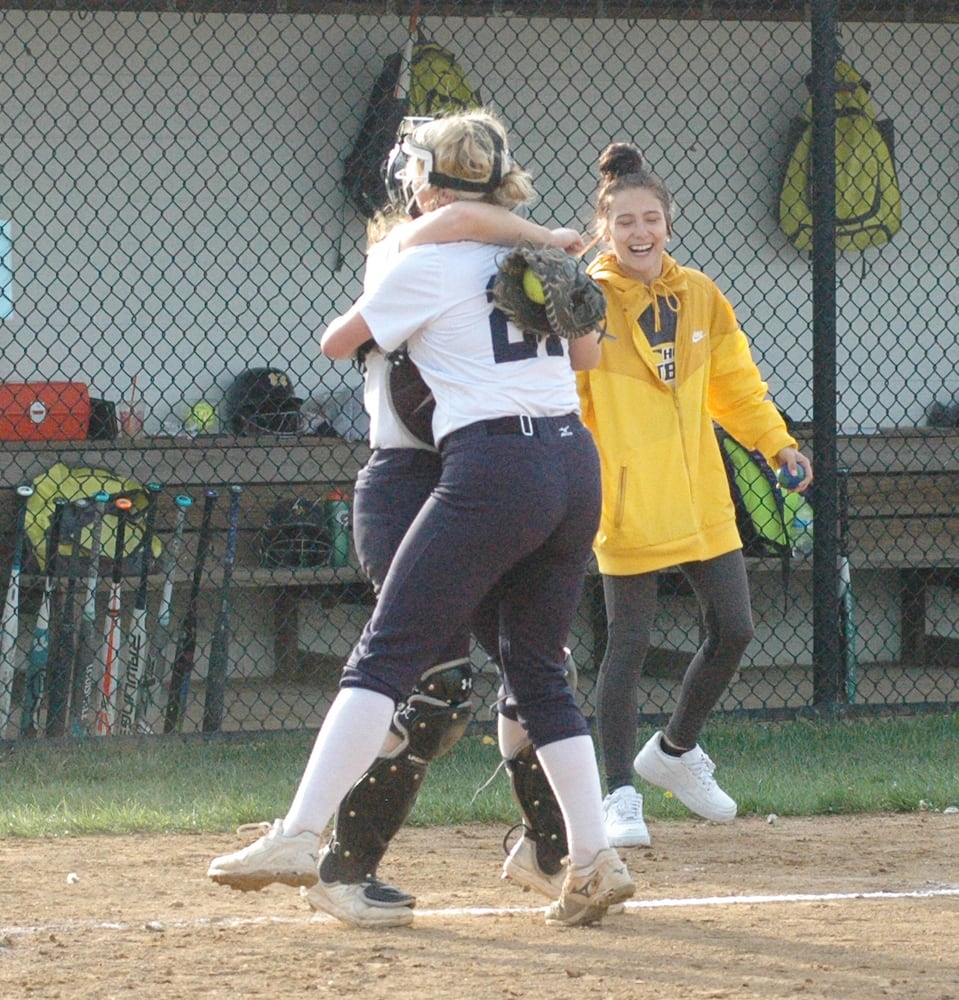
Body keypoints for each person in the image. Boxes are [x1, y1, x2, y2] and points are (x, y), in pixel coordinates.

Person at [209, 110, 634, 928]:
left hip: (493, 466)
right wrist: (540, 257)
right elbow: (583, 355)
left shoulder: (422, 256)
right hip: (571, 465)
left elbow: (338, 344)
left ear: (428, 187)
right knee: (540, 672)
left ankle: (300, 835)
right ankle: (591, 857)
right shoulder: (533, 257)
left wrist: (414, 276)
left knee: (385, 657)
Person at [577, 143, 813, 848]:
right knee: (627, 644)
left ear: (668, 224)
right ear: (604, 229)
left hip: (699, 493)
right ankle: (619, 792)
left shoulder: (701, 295)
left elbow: (734, 385)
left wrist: (777, 444)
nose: (639, 232)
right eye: (625, 222)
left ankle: (674, 752)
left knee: (734, 628)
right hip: (625, 496)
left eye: (650, 218)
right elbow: (565, 391)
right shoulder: (587, 300)